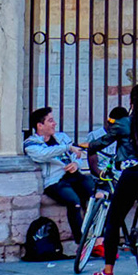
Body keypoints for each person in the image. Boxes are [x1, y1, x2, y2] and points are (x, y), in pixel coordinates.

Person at [84, 82, 138, 275]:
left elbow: (102, 141)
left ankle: (108, 271)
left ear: (132, 101)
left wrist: (86, 147)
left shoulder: (124, 123)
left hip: (132, 175)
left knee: (114, 219)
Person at [23, 106, 92, 248]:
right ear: (40, 125)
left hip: (74, 175)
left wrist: (75, 164)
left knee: (96, 194)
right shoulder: (31, 143)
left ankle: (99, 238)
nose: (54, 124)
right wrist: (66, 148)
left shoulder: (62, 137)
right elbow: (43, 154)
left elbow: (77, 153)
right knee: (74, 202)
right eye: (50, 121)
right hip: (55, 181)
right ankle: (82, 244)